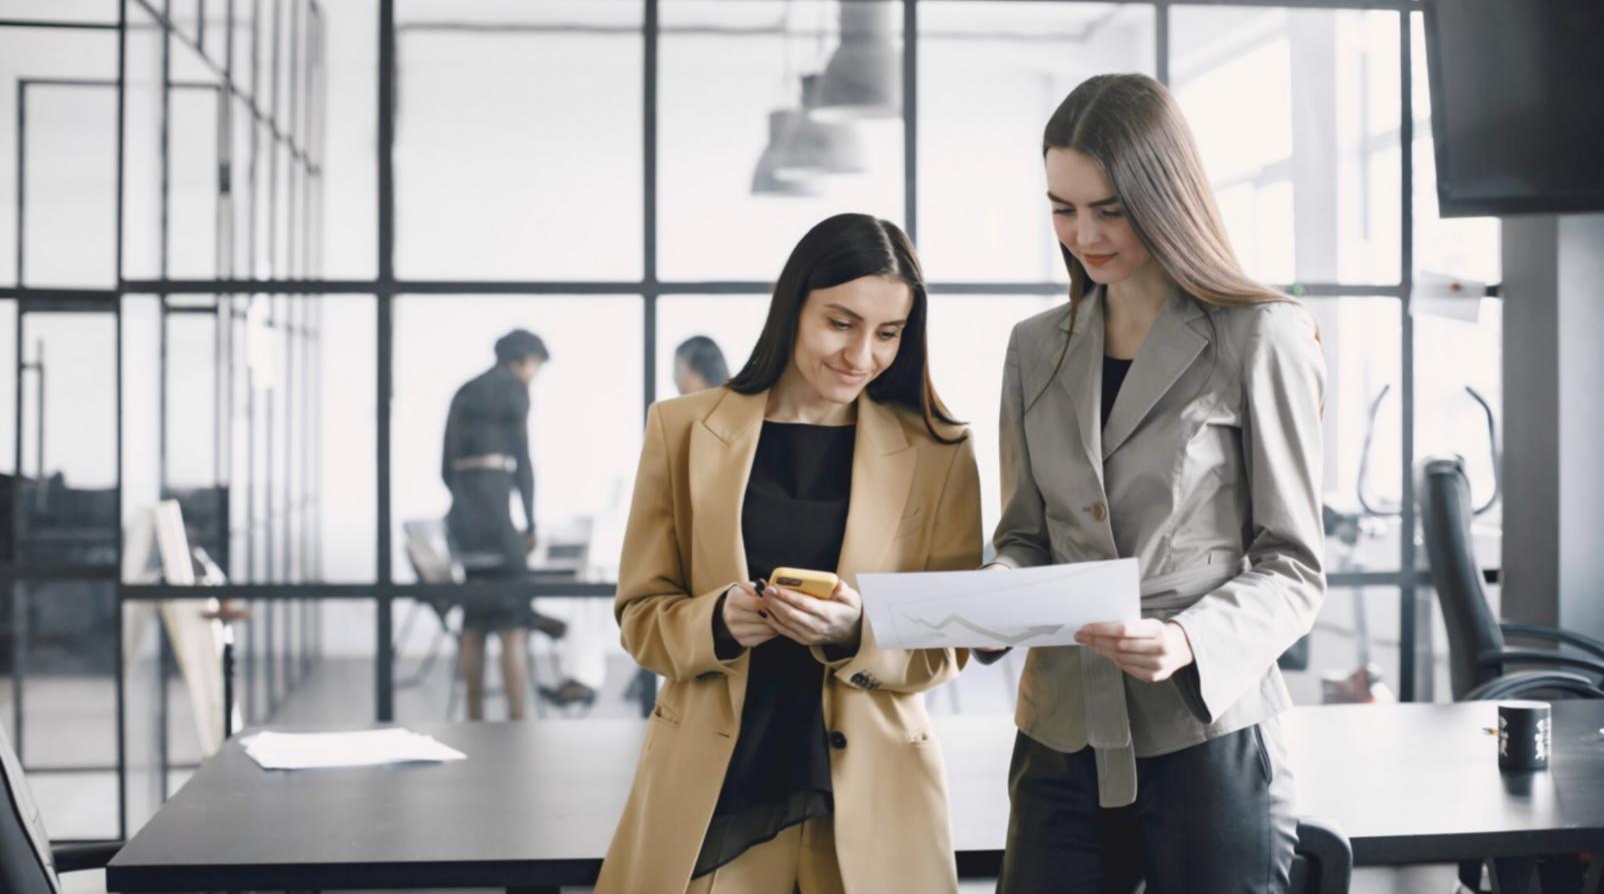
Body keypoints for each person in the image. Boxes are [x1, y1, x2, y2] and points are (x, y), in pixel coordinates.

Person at [986, 73, 1327, 892]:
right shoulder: (1036, 346)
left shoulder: (1260, 334)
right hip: (1061, 732)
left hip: (1205, 732)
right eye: (1062, 208)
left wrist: (1188, 640)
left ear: (1165, 195)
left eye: (1109, 209)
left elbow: (1293, 564)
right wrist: (991, 596)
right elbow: (1025, 537)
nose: (1083, 234)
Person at [596, 214, 982, 894]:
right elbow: (640, 615)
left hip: (872, 803)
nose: (862, 354)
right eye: (841, 322)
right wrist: (717, 622)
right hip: (718, 795)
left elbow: (948, 643)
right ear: (793, 304)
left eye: (887, 333)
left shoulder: (940, 451)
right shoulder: (682, 428)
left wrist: (858, 630)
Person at [441, 328, 550, 721]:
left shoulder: (465, 390)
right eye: (536, 366)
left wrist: (466, 501)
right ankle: (518, 717)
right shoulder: (515, 389)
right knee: (513, 619)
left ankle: (473, 715)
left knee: (474, 615)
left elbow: (444, 466)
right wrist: (531, 520)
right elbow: (523, 460)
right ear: (524, 360)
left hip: (464, 518)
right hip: (497, 514)